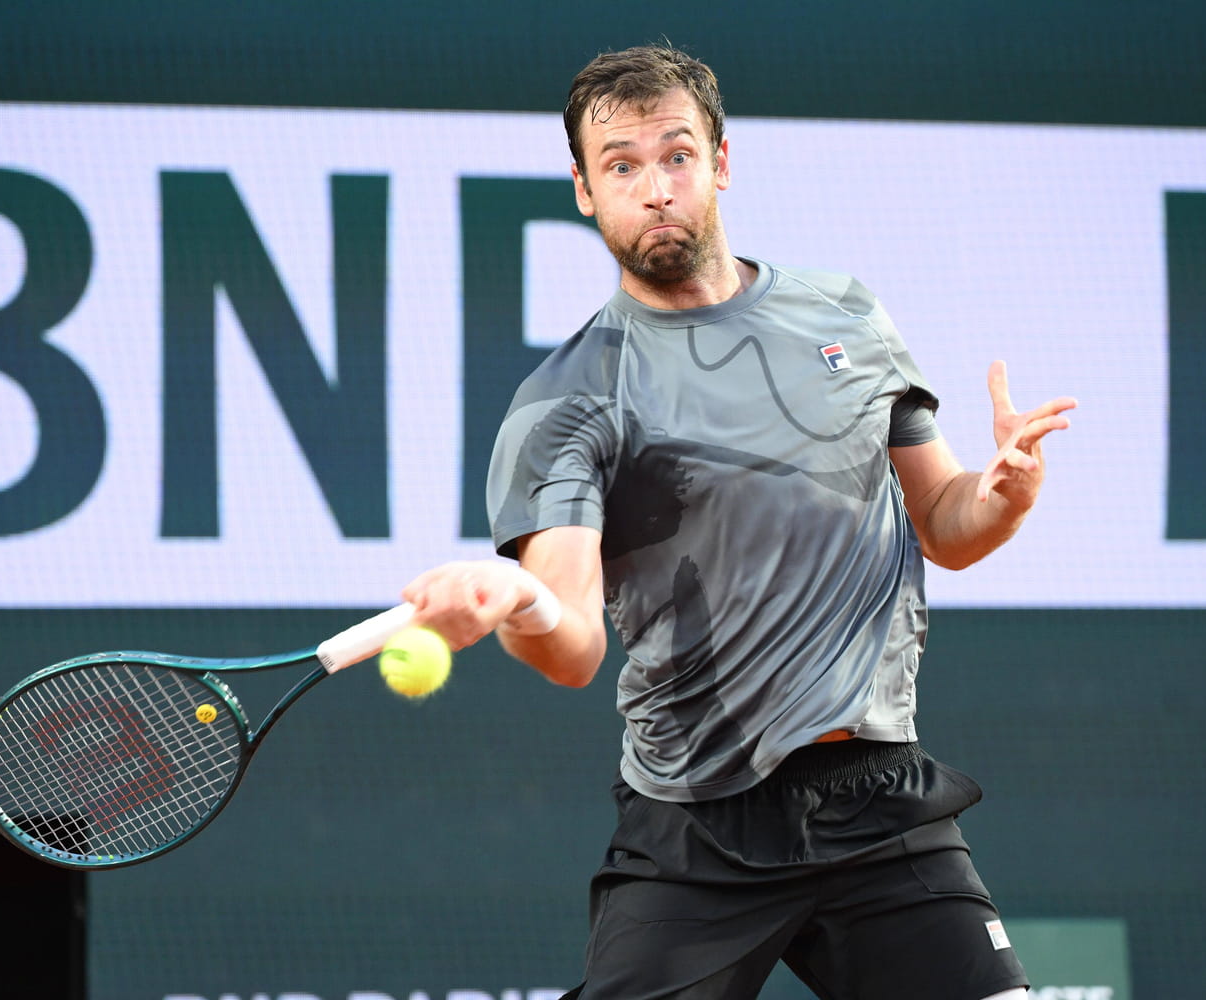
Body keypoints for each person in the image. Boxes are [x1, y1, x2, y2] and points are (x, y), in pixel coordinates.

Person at [401, 43, 1076, 1000]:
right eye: (622, 166)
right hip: (696, 823)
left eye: (676, 155)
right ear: (586, 192)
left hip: (878, 800)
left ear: (721, 162)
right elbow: (573, 642)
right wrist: (519, 601)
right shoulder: (566, 403)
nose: (656, 188)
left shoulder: (844, 314)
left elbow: (947, 526)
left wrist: (1002, 495)